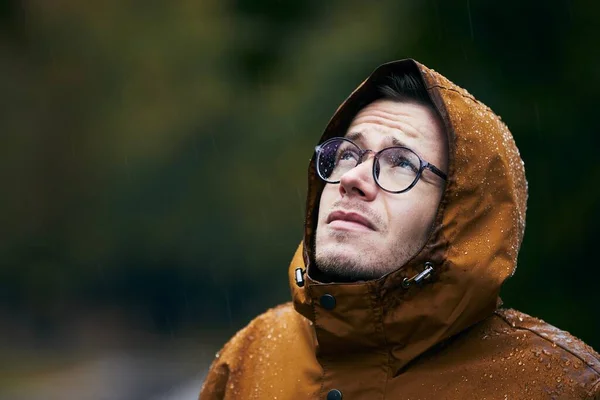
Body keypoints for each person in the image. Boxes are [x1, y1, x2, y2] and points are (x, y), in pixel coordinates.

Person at [199, 59, 600, 399]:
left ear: (459, 215)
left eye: (402, 162)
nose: (352, 178)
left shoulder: (558, 384)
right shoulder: (250, 358)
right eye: (346, 154)